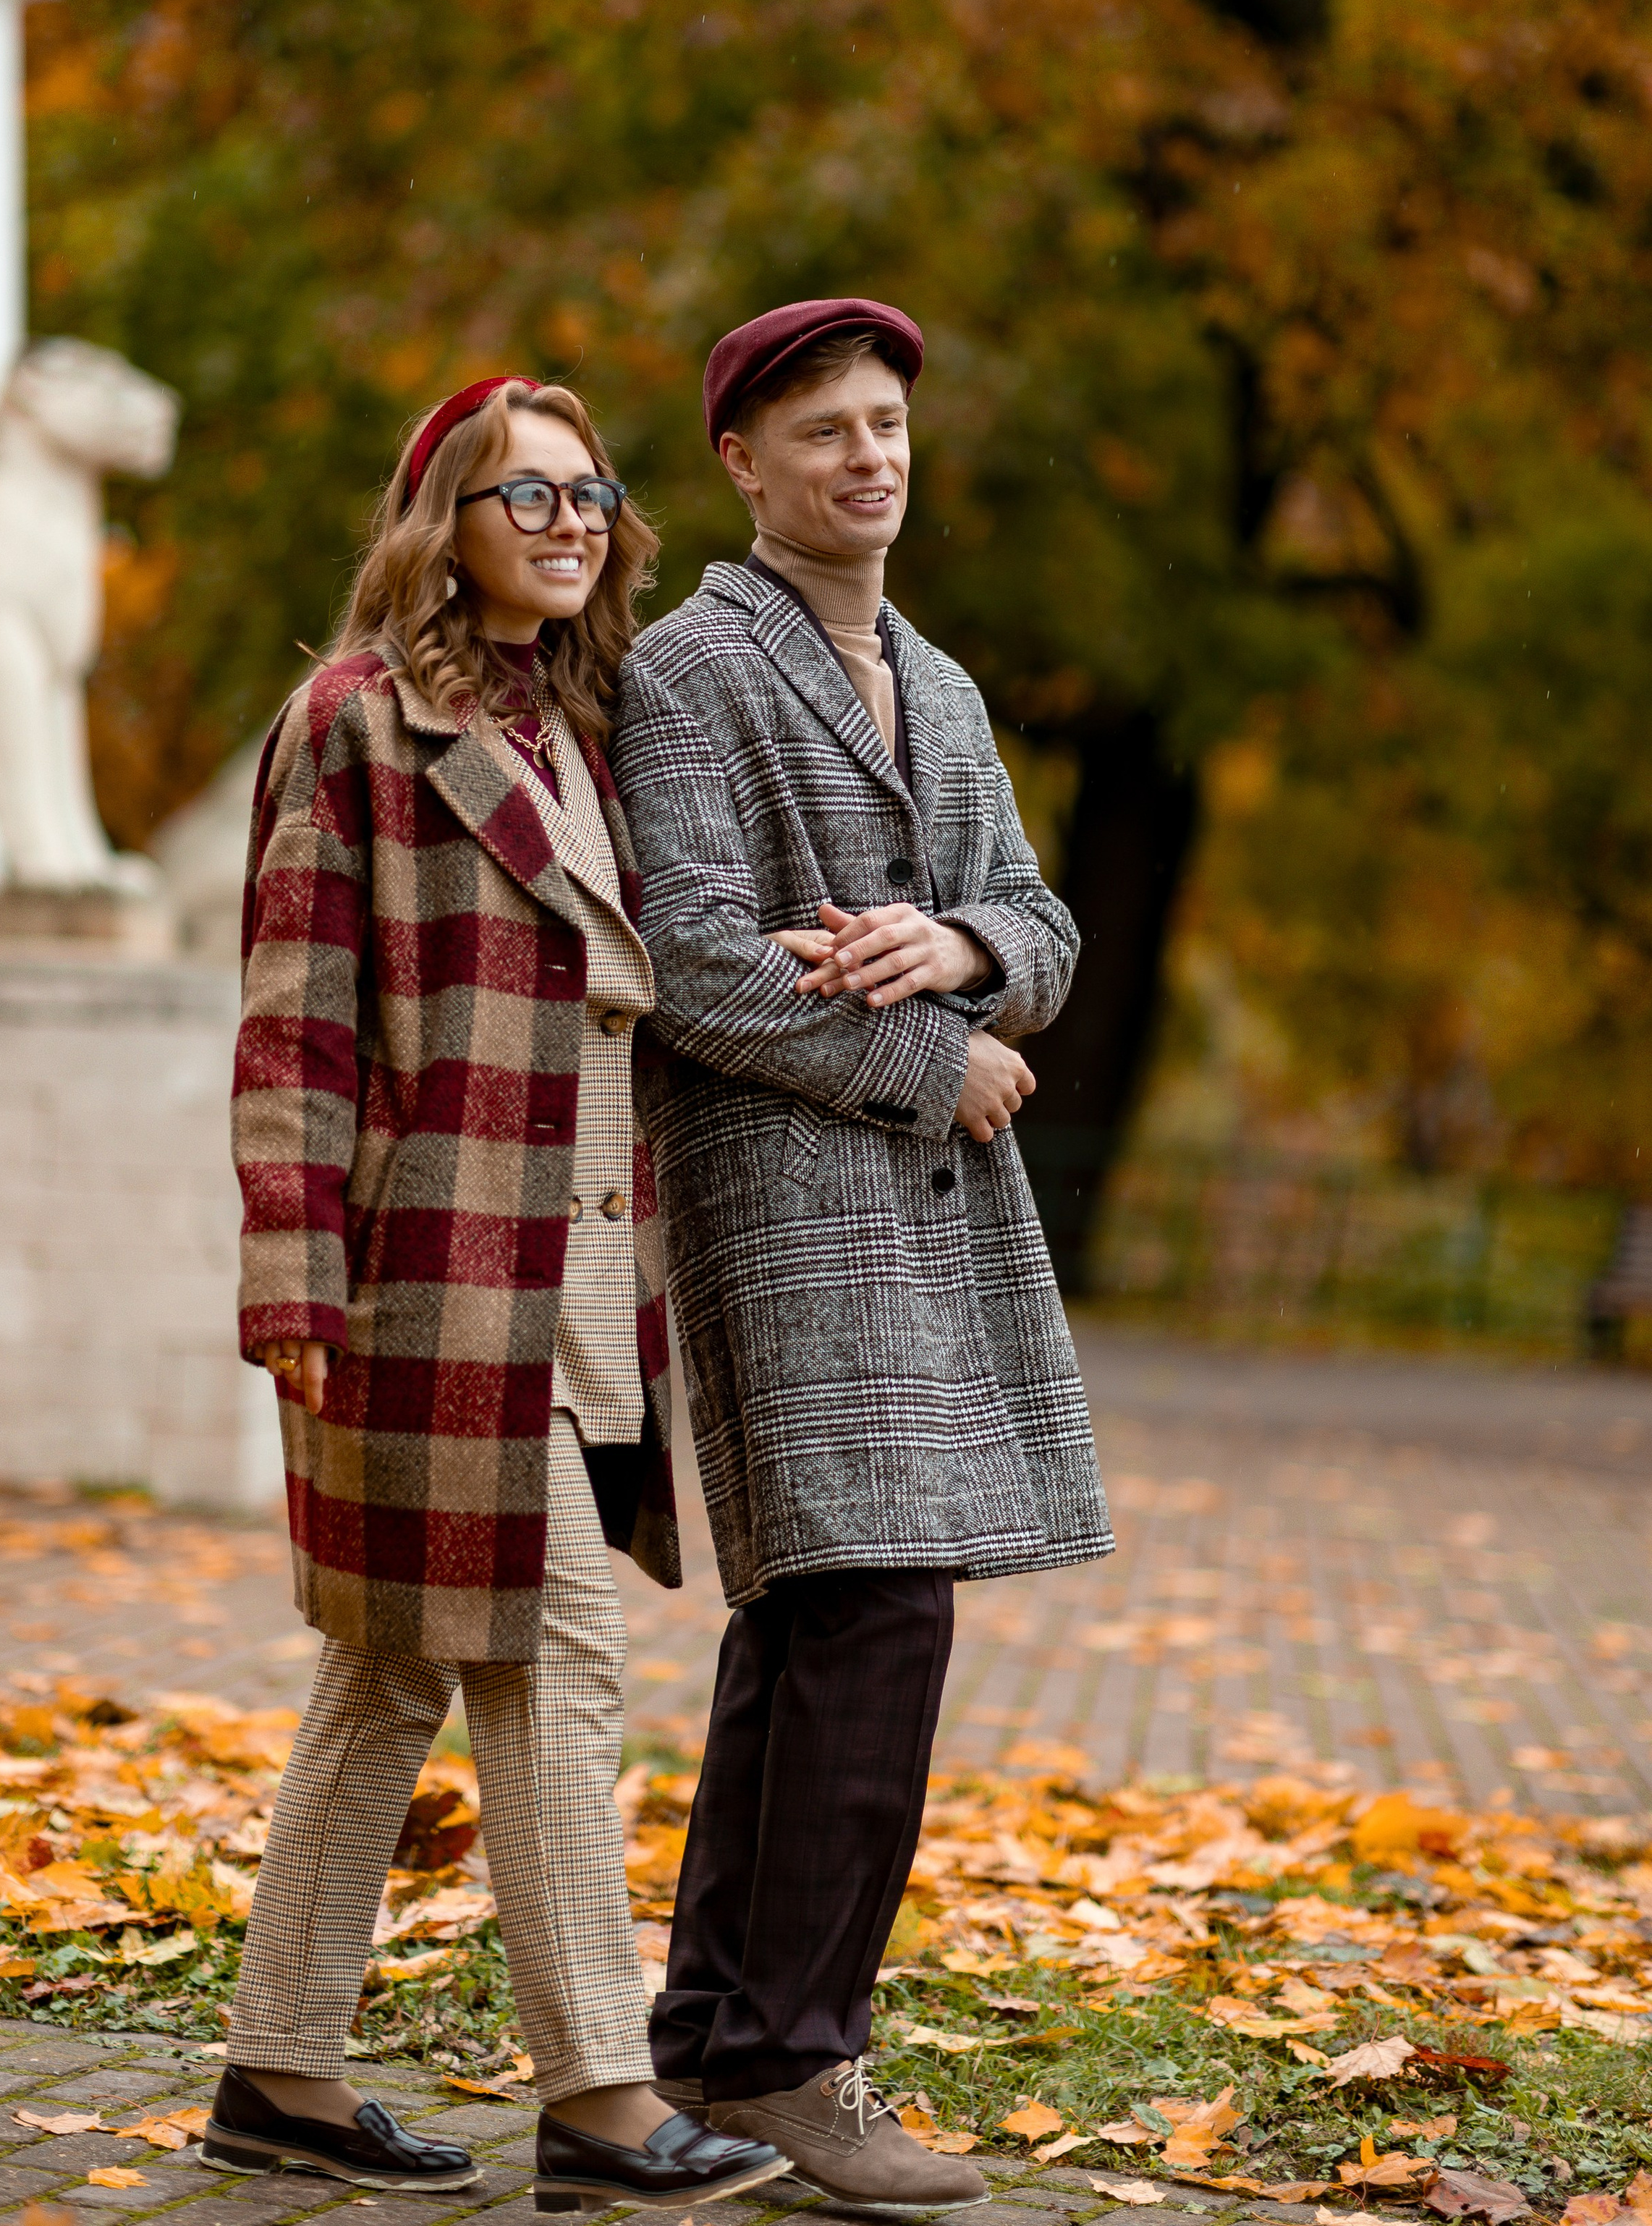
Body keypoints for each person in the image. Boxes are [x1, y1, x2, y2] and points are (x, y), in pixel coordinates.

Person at [205, 374, 792, 2215]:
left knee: (382, 1675)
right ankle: (603, 2101)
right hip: (429, 1279)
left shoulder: (578, 730)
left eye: (586, 495)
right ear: (436, 519)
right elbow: (294, 1019)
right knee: (555, 1660)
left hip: (577, 1280)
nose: (563, 523)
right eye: (519, 495)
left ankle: (280, 2076)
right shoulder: (355, 725)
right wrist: (290, 1266)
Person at [610, 299, 1114, 2218]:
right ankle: (800, 2061)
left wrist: (965, 949)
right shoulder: (693, 672)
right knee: (874, 1606)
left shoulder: (949, 683)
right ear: (742, 464)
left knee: (824, 1616)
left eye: (888, 424)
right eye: (823, 432)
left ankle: (725, 2056)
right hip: (785, 1191)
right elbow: (709, 965)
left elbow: (1045, 915)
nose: (868, 458)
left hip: (926, 1206)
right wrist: (944, 1049)